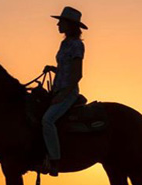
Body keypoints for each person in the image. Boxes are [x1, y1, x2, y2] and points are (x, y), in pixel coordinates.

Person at [42, 6, 87, 176]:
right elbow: (65, 68)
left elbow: (77, 74)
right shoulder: (64, 44)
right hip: (57, 90)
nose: (58, 24)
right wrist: (53, 69)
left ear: (69, 25)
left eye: (61, 22)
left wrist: (63, 93)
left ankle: (54, 160)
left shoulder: (76, 45)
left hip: (68, 92)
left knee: (48, 120)